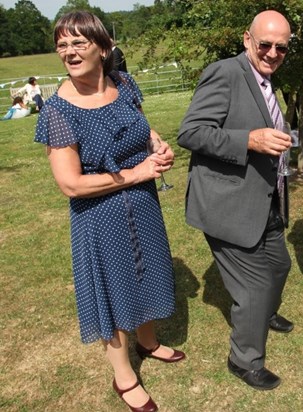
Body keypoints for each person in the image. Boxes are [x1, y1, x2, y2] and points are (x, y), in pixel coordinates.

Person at [34, 11, 184, 412]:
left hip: (144, 205)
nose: (69, 51)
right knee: (112, 289)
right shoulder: (58, 112)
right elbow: (70, 184)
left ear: (103, 48)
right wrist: (136, 173)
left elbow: (142, 127)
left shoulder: (123, 83)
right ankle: (124, 377)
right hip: (99, 216)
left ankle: (148, 341)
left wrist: (158, 145)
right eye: (63, 44)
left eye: (79, 42)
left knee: (149, 268)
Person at [178, 10, 293, 391]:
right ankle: (243, 360)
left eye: (281, 47)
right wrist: (249, 140)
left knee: (278, 266)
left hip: (264, 199)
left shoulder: (264, 77)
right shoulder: (226, 72)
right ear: (247, 40)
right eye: (265, 44)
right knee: (255, 285)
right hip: (228, 204)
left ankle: (263, 314)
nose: (273, 53)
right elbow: (192, 132)